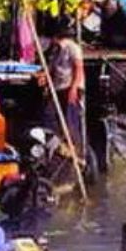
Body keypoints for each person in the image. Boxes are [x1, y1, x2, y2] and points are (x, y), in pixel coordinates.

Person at [46, 24, 88, 174]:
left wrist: (74, 88)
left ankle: (77, 155)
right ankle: (62, 151)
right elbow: (52, 70)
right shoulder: (56, 51)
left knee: (71, 123)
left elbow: (78, 69)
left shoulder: (72, 47)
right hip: (59, 89)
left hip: (70, 88)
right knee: (55, 121)